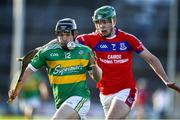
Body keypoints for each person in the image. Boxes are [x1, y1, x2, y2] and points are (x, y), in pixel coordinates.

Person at [76, 5, 180, 119]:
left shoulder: (128, 39)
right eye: (98, 22)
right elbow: (68, 42)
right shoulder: (89, 39)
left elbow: (151, 58)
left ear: (114, 20)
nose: (101, 26)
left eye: (105, 22)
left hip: (125, 91)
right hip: (104, 94)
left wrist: (166, 80)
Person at [8, 18, 102, 120]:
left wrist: (95, 66)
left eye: (67, 34)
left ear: (75, 34)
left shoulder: (85, 51)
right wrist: (17, 89)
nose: (64, 38)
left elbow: (98, 78)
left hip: (80, 99)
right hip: (61, 103)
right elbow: (27, 72)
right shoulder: (46, 53)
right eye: (61, 34)